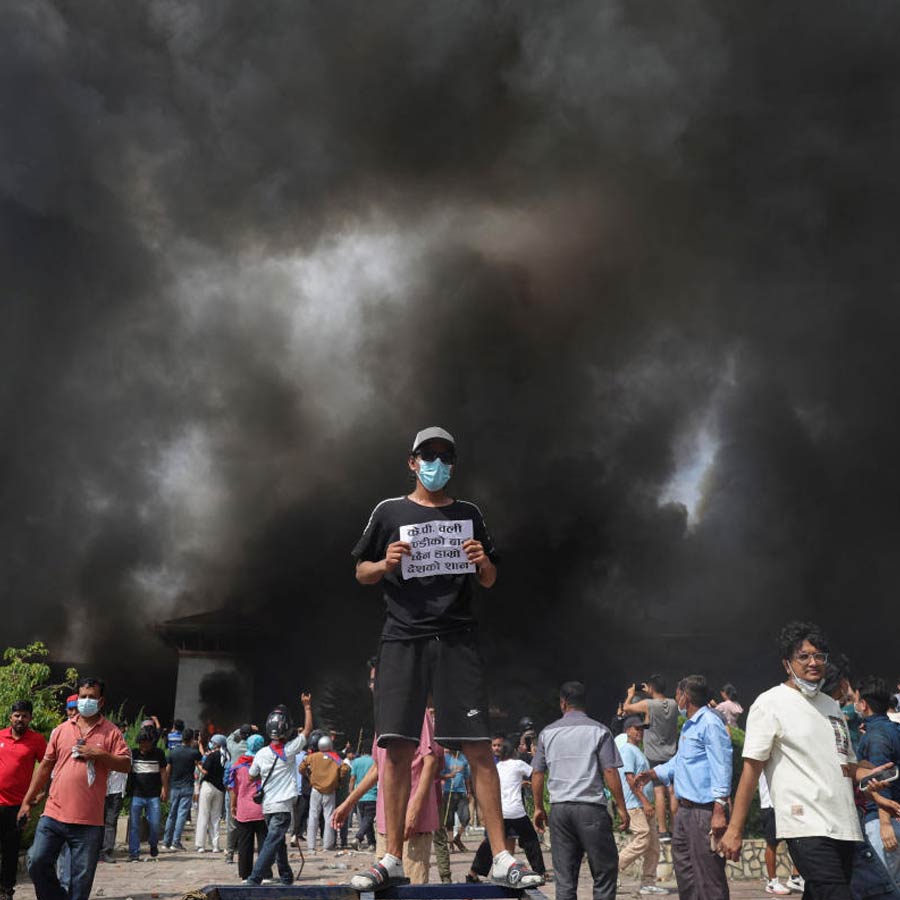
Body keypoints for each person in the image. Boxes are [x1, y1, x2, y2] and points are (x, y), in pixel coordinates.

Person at [348, 426, 542, 891]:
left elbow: (491, 578)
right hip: (402, 639)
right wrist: (385, 563)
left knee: (478, 746)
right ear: (412, 462)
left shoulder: (468, 513)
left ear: (452, 464)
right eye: (427, 455)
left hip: (457, 639)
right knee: (395, 748)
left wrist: (483, 562)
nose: (436, 463)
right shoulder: (388, 511)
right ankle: (391, 857)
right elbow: (361, 571)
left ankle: (499, 856)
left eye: (444, 456)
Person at [719, 622, 894, 900]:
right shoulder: (770, 703)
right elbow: (752, 770)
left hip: (845, 825)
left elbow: (845, 766)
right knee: (835, 894)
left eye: (819, 656)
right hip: (806, 824)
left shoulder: (832, 706)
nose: (813, 662)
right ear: (787, 664)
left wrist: (872, 781)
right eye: (804, 656)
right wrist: (735, 829)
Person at [20, 676, 131, 900]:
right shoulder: (61, 730)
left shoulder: (111, 733)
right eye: (83, 697)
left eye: (91, 697)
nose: (86, 701)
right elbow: (45, 767)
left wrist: (99, 754)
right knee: (36, 861)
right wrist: (27, 801)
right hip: (54, 814)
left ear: (101, 702)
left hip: (88, 822)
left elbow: (126, 764)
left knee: (80, 882)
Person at [634, 675, 733, 900]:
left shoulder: (709, 722)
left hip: (704, 811)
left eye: (677, 694)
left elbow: (722, 764)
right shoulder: (690, 725)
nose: (675, 698)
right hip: (685, 812)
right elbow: (681, 761)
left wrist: (719, 809)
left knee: (709, 878)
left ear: (684, 697)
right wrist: (654, 773)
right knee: (686, 876)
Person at [531, 681, 629, 900]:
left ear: (563, 703)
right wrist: (622, 808)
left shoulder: (547, 733)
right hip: (591, 810)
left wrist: (538, 808)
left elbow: (537, 774)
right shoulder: (599, 731)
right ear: (585, 703)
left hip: (560, 811)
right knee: (604, 872)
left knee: (564, 878)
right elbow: (610, 771)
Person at [335, 707, 442, 885]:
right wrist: (348, 802)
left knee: (412, 886)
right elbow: (378, 767)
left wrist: (414, 809)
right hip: (386, 821)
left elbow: (430, 761)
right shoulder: (383, 717)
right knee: (384, 888)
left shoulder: (416, 711)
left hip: (412, 824)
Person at [244, 695, 313, 886]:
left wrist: (264, 776)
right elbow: (307, 731)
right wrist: (307, 707)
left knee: (276, 840)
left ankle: (286, 876)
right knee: (272, 842)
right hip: (282, 807)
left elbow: (251, 776)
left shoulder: (261, 753)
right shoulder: (289, 751)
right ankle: (255, 877)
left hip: (267, 806)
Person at [467, 740, 546, 885]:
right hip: (515, 811)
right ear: (514, 752)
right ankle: (540, 871)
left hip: (499, 812)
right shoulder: (518, 764)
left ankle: (473, 873)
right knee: (531, 840)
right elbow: (535, 773)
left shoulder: (496, 767)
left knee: (491, 843)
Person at [0, 700, 47, 900]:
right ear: (10, 717)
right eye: (17, 715)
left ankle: (6, 890)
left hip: (18, 806)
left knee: (11, 851)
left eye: (25, 715)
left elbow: (47, 767)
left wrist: (41, 791)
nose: (20, 719)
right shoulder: (0, 736)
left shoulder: (36, 740)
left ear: (30, 718)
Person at [623, 675, 679, 842]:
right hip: (672, 754)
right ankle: (675, 829)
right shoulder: (674, 704)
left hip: (654, 754)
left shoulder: (648, 704)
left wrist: (631, 694)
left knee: (659, 791)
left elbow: (626, 708)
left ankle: (662, 831)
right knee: (673, 791)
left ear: (651, 688)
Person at [855, 676, 900, 882]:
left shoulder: (877, 737)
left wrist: (884, 825)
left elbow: (881, 781)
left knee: (881, 888)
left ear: (863, 705)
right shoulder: (891, 729)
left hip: (883, 822)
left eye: (856, 701)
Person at [616, 715, 666, 896]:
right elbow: (630, 779)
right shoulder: (627, 750)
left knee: (653, 846)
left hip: (645, 804)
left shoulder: (638, 750)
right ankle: (612, 870)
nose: (640, 732)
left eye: (642, 729)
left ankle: (648, 882)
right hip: (636, 804)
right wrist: (645, 801)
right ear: (627, 730)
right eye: (636, 729)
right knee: (643, 837)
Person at [226, 734, 271, 883]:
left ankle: (245, 875)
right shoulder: (266, 763)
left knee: (245, 845)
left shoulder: (238, 765)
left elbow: (233, 788)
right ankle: (265, 874)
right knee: (264, 843)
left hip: (244, 809)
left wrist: (233, 805)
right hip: (263, 809)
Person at [299, 735, 349, 852]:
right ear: (330, 745)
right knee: (329, 817)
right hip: (330, 790)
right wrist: (337, 779)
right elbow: (345, 769)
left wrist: (309, 775)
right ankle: (327, 845)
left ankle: (311, 846)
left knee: (313, 816)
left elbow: (301, 767)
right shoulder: (335, 758)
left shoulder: (312, 757)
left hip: (315, 789)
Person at [125, 727, 168, 861]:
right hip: (137, 794)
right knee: (134, 825)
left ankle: (153, 843)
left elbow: (163, 772)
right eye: (141, 743)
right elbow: (127, 771)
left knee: (154, 823)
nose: (143, 746)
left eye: (146, 743)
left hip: (153, 795)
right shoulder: (134, 754)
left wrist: (165, 789)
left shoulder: (159, 754)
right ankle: (134, 853)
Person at [163, 727, 201, 851]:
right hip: (187, 786)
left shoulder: (173, 752)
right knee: (182, 814)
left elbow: (167, 771)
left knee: (171, 814)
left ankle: (165, 842)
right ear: (191, 739)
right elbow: (200, 764)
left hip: (174, 786)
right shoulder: (194, 753)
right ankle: (176, 842)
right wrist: (199, 744)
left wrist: (165, 786)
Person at [195, 734, 228, 852]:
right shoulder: (226, 757)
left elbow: (205, 771)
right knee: (216, 817)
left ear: (216, 744)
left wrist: (198, 765)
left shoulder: (212, 756)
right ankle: (215, 846)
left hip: (208, 787)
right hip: (220, 790)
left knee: (203, 815)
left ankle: (201, 845)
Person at [348, 749, 377, 851]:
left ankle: (372, 843)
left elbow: (352, 778)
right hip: (372, 795)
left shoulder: (356, 762)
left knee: (366, 819)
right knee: (368, 819)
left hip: (360, 796)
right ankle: (358, 837)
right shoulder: (375, 761)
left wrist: (351, 793)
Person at [100, 758, 126, 864]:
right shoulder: (101, 746)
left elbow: (126, 766)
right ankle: (96, 850)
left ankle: (107, 851)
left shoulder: (124, 750)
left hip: (117, 790)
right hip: (100, 789)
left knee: (111, 821)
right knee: (98, 821)